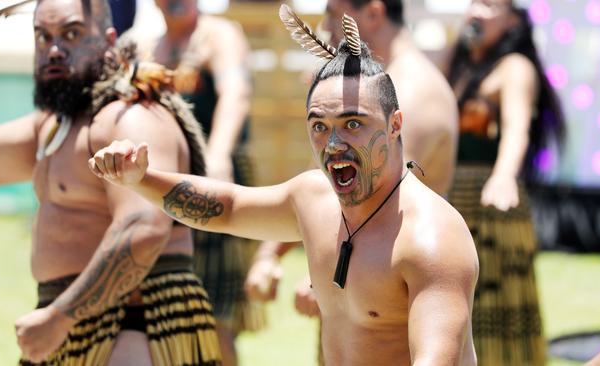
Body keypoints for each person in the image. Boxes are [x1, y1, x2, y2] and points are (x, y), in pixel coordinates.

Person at [90, 12, 479, 364]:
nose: (333, 144)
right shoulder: (313, 200)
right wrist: (141, 178)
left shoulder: (431, 238)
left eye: (353, 124)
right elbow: (226, 207)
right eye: (319, 127)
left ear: (395, 125)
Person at [0, 0, 221, 364]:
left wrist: (60, 316)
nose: (54, 50)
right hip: (69, 324)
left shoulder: (129, 115)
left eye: (71, 33)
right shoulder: (53, 124)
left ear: (108, 39)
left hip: (139, 325)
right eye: (42, 37)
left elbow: (144, 228)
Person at [245, 0, 459, 323]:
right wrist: (269, 254)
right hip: (362, 291)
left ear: (373, 12)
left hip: (394, 303)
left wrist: (331, 269)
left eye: (332, 15)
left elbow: (381, 194)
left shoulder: (411, 87)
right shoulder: (368, 86)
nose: (325, 29)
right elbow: (325, 178)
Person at [125, 1, 262, 364]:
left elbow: (236, 95)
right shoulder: (144, 47)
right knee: (162, 311)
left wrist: (217, 155)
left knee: (214, 315)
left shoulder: (219, 35)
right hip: (157, 189)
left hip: (213, 185)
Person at [445, 0, 565, 364]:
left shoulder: (515, 68)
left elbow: (516, 128)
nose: (477, 11)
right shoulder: (460, 68)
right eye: (474, 3)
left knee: (493, 312)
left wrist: (503, 175)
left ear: (514, 20)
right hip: (453, 203)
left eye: (490, 5)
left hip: (491, 206)